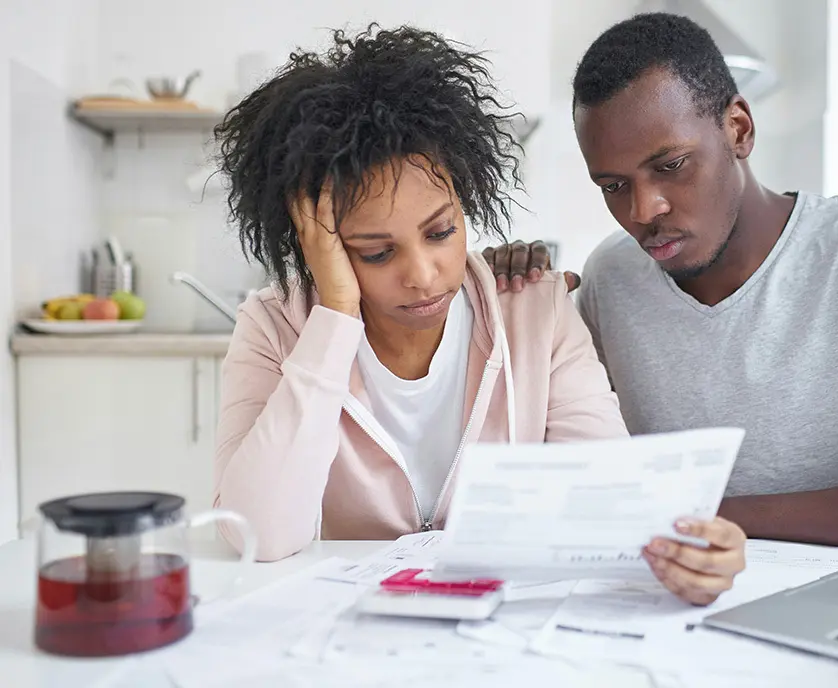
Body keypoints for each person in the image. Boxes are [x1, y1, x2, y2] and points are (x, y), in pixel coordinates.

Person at [209, 24, 746, 604]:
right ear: (319, 244)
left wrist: (691, 552)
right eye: (376, 251)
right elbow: (256, 537)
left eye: (440, 231)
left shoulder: (533, 310)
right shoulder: (274, 328)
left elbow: (603, 497)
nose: (423, 272)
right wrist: (336, 314)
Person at [484, 12, 838, 555]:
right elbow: (566, 462)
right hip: (668, 601)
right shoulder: (611, 276)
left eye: (672, 165)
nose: (643, 210)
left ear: (738, 129)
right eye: (613, 185)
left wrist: (700, 520)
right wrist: (509, 300)